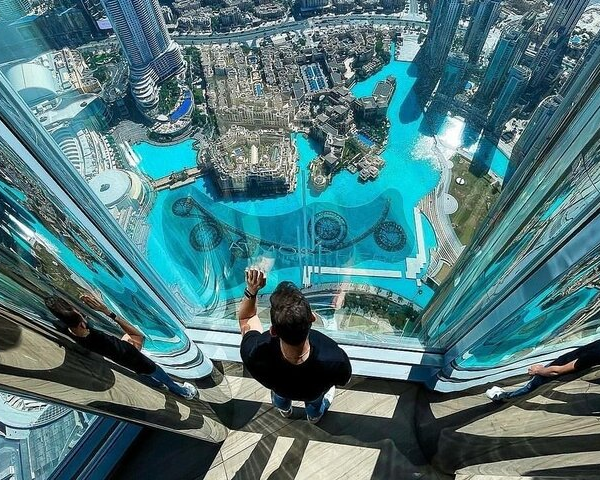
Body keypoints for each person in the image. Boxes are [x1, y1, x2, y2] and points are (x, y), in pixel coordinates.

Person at [239, 269, 352, 424]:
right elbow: (344, 379)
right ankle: (314, 417)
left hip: (281, 388)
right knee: (315, 403)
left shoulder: (256, 353)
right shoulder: (333, 357)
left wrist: (251, 290)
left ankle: (285, 409)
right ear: (312, 318)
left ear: (273, 331)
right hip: (312, 392)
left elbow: (247, 318)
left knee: (280, 397)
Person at [45, 294, 197, 400]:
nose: (81, 313)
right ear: (82, 324)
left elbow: (73, 323)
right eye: (79, 313)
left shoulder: (67, 329)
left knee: (143, 374)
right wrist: (106, 311)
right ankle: (183, 392)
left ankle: (157, 384)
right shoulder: (97, 337)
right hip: (131, 356)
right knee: (158, 373)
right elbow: (133, 339)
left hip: (122, 360)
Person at [486, 338, 600, 402]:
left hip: (559, 371)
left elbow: (558, 371)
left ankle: (504, 396)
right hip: (566, 361)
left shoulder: (596, 354)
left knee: (530, 386)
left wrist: (538, 371)